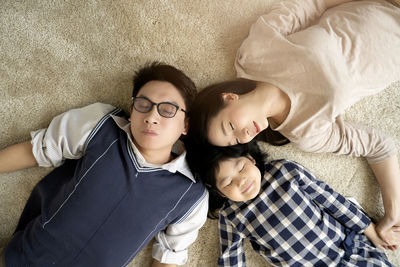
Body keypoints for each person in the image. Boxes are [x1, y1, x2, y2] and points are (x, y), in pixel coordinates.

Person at [188, 0, 400, 246]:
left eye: (230, 126)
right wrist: (393, 211)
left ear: (229, 98)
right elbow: (378, 146)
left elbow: (313, 4)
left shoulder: (253, 55)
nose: (245, 134)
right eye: (236, 140)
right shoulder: (307, 133)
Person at [0, 62, 208, 267]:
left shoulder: (191, 195)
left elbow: (169, 256)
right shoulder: (101, 125)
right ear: (132, 109)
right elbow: (36, 150)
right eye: (143, 105)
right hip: (21, 258)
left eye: (167, 109)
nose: (151, 117)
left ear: (186, 125)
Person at [185, 141, 399, 266]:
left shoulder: (284, 172)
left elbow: (331, 200)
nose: (242, 181)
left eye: (241, 168)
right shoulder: (231, 215)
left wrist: (371, 231)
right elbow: (231, 255)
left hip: (348, 250)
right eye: (228, 182)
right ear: (219, 192)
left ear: (250, 159)